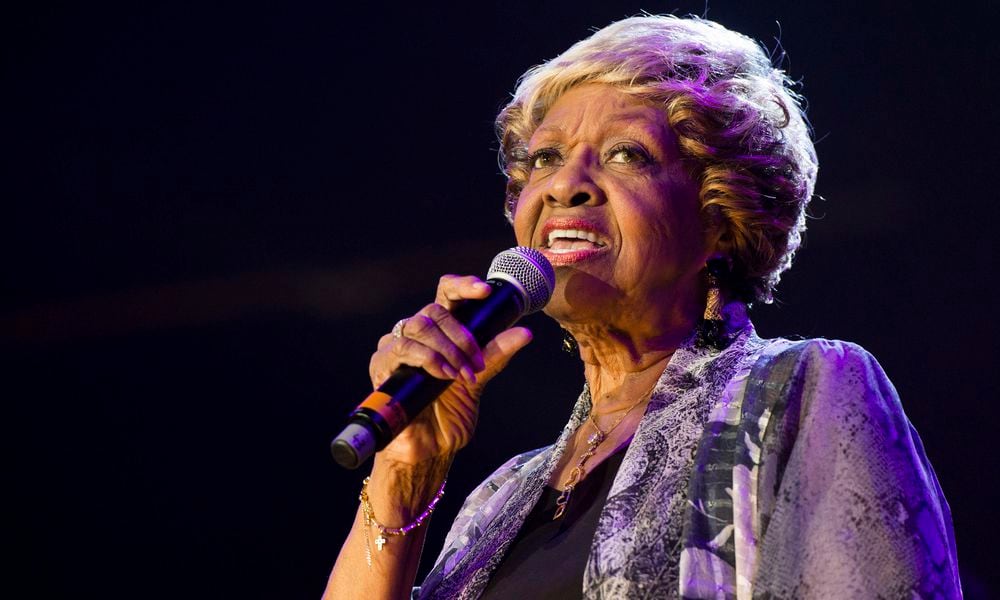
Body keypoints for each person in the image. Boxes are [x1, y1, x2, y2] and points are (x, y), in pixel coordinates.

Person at [323, 14, 961, 599]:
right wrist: (403, 477)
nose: (564, 185)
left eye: (627, 154)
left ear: (720, 217)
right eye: (546, 158)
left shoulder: (802, 395)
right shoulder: (496, 503)